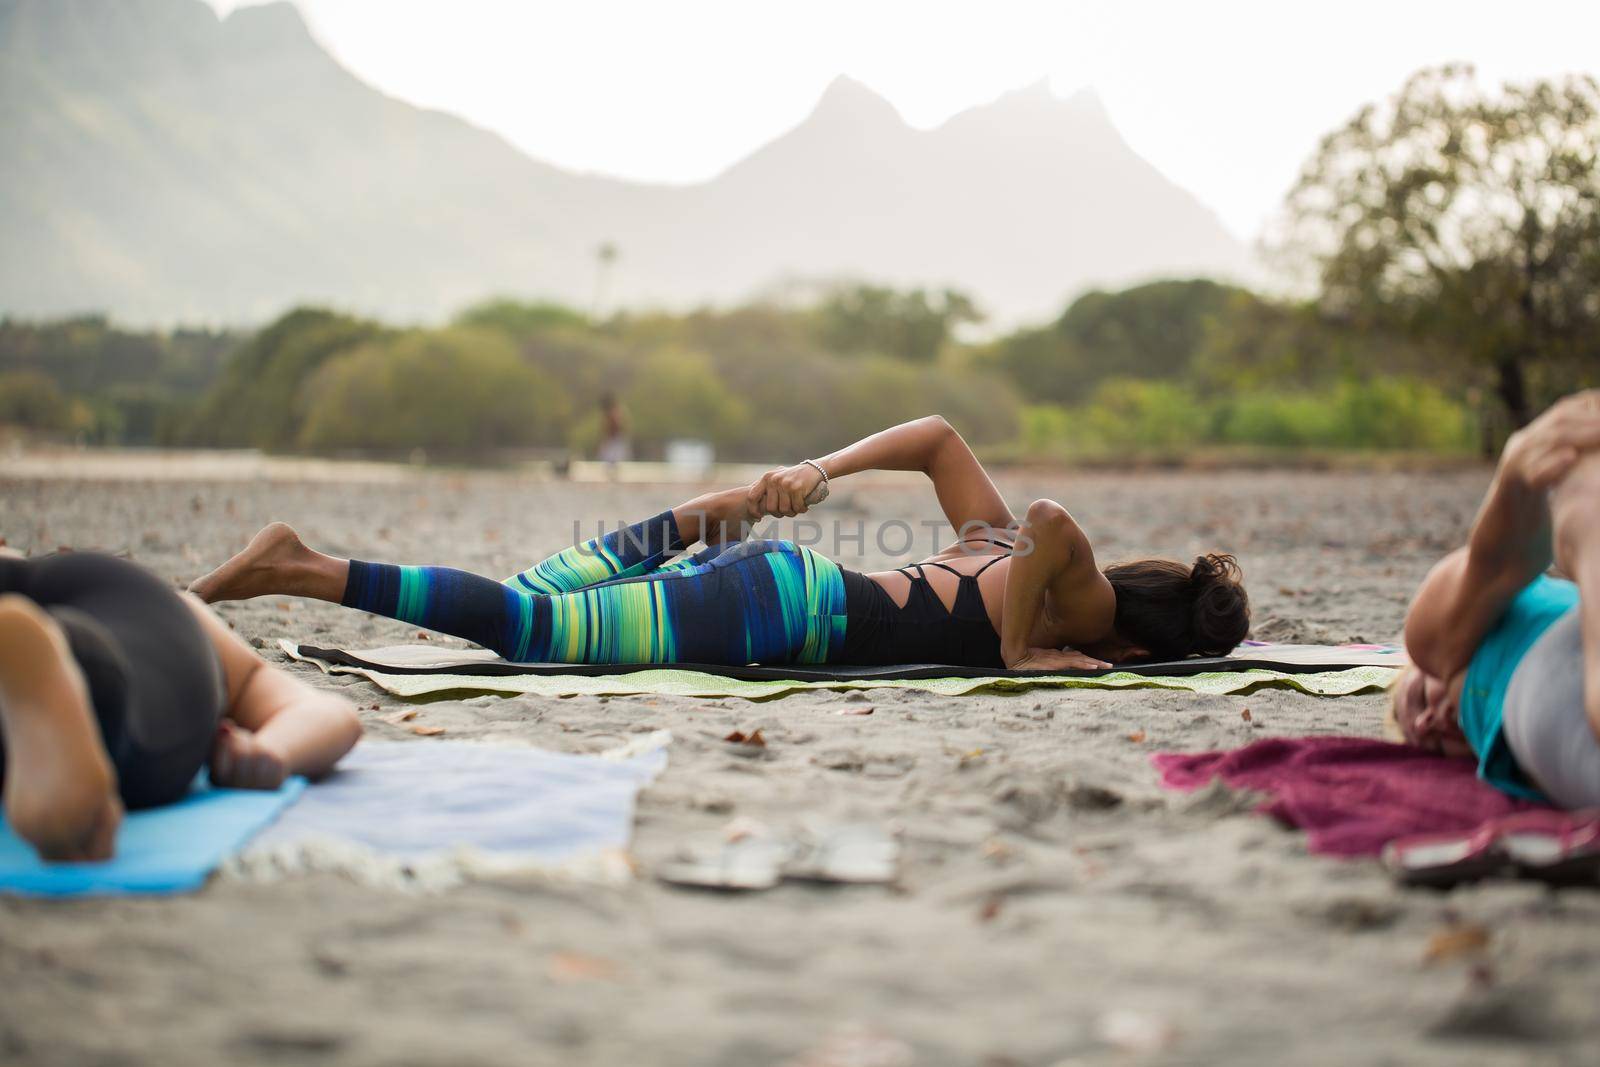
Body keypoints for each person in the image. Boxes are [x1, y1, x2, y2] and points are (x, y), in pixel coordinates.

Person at [191, 416, 1250, 674]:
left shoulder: (999, 540)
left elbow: (936, 437)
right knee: (528, 632)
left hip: (777, 578)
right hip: (781, 610)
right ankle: (302, 568)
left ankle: (719, 509)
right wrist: (1020, 653)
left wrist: (821, 474)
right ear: (1156, 647)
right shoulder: (1095, 617)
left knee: (528, 595)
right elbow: (1058, 524)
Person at [0, 549, 362, 862]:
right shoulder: (195, 631)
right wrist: (270, 750)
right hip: (136, 612)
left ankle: (65, 654)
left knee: (114, 696)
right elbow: (333, 714)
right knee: (121, 707)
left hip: (92, 601)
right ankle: (66, 653)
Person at [1391, 390, 1600, 808]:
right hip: (1556, 701)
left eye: (1417, 699)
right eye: (1426, 739)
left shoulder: (1468, 655)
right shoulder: (1505, 744)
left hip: (1540, 641)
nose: (1429, 722)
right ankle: (1585, 527)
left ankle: (1513, 548)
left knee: (1429, 638)